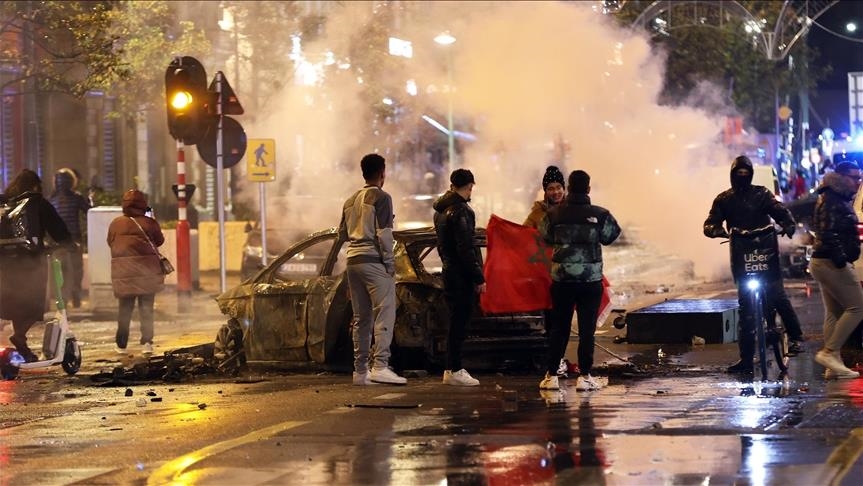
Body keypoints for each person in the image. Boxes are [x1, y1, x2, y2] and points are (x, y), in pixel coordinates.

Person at [704, 155, 804, 374]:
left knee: (777, 295)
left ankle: (796, 337)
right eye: (738, 173)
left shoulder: (762, 194)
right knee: (746, 312)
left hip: (766, 253)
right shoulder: (723, 199)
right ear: (732, 175)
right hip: (741, 258)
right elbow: (710, 223)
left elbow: (780, 211)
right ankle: (746, 360)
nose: (742, 177)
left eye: (745, 173)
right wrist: (715, 230)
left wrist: (787, 223)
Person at [538, 170, 621, 391]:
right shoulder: (600, 214)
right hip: (590, 282)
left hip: (561, 281)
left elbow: (545, 236)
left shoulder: (553, 214)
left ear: (569, 189)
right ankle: (585, 376)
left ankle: (551, 376)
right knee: (586, 330)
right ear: (589, 189)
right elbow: (611, 236)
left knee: (559, 328)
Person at [338, 153, 406, 386]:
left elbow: (342, 235)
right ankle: (381, 366)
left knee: (361, 318)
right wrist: (390, 264)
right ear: (382, 173)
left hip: (353, 261)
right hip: (373, 261)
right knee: (385, 312)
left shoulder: (349, 200)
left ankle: (360, 372)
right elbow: (384, 234)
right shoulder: (382, 197)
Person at [0, 169, 72, 362]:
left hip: (5, 263)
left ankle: (21, 343)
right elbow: (57, 228)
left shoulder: (4, 203)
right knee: (33, 304)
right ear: (35, 186)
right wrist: (68, 244)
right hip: (31, 261)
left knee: (15, 303)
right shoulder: (37, 202)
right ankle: (20, 336)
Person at [808, 161, 863, 379]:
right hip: (831, 263)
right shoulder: (832, 199)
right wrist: (842, 259)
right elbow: (827, 232)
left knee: (835, 312)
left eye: (859, 177)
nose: (857, 182)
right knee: (858, 307)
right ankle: (830, 353)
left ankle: (833, 364)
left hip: (824, 262)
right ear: (841, 177)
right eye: (853, 177)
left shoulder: (835, 197)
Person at [433, 168, 485, 386]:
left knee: (454, 321)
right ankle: (455, 369)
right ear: (470, 185)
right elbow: (466, 248)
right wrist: (478, 277)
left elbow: (442, 246)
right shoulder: (462, 211)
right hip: (461, 275)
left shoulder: (441, 211)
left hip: (449, 271)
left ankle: (451, 368)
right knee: (460, 323)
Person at [523, 165, 572, 378]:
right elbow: (524, 237)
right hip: (547, 276)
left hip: (570, 274)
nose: (556, 192)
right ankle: (554, 362)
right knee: (553, 322)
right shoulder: (537, 213)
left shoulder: (572, 208)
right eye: (551, 188)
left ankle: (557, 359)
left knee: (565, 320)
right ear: (545, 191)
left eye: (559, 187)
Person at [106, 189, 165, 356]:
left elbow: (110, 242)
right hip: (147, 274)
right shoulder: (149, 223)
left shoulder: (116, 223)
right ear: (143, 205)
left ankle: (121, 344)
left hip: (124, 274)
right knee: (146, 309)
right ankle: (146, 342)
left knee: (124, 310)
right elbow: (159, 241)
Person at [48, 169, 91, 308]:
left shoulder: (51, 200)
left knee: (61, 271)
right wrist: (90, 199)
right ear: (72, 182)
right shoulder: (77, 198)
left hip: (57, 242)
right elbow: (90, 211)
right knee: (76, 269)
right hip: (74, 240)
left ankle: (62, 300)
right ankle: (76, 297)